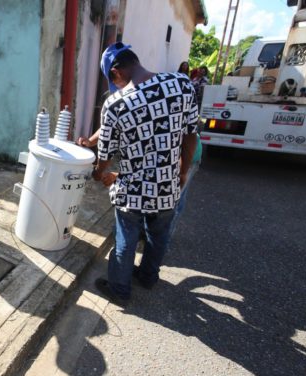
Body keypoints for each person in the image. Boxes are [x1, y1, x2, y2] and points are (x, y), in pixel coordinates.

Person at [77, 42, 198, 305]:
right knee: (159, 235)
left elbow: (106, 154)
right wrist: (183, 172)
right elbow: (190, 135)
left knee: (126, 236)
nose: (115, 86)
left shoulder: (115, 104)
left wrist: (98, 174)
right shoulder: (181, 84)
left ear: (116, 72)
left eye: (113, 80)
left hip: (133, 189)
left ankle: (120, 290)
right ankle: (147, 276)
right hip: (168, 183)